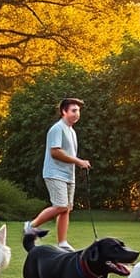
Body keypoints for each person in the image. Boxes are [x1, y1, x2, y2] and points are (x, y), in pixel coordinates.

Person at [25, 97, 91, 251]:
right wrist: (78, 161)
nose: (77, 114)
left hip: (68, 175)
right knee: (61, 206)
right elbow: (55, 152)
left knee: (66, 208)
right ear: (64, 111)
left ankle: (62, 243)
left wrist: (77, 163)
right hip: (55, 173)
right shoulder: (57, 128)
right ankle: (31, 225)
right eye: (74, 110)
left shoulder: (71, 131)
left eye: (78, 111)